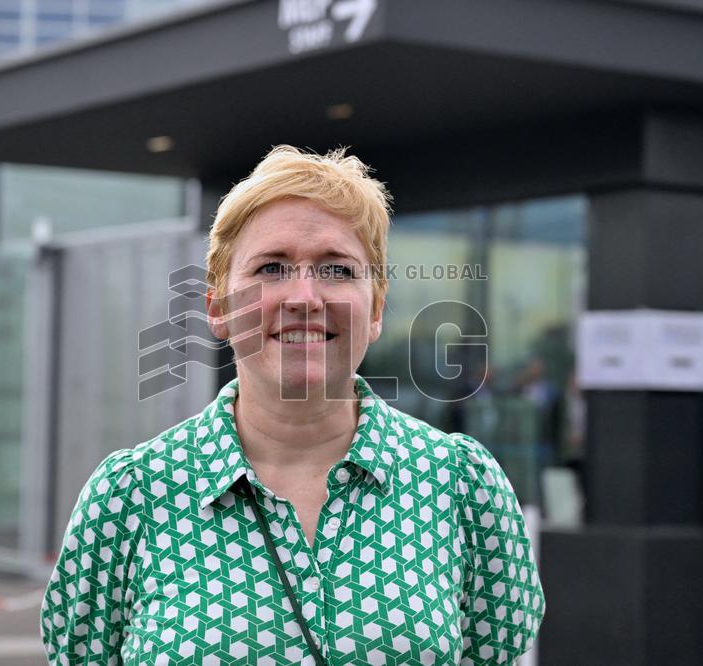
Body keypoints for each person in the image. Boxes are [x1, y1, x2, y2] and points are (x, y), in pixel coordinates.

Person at [40, 146, 546, 664]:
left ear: (375, 308)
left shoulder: (461, 484)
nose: (304, 296)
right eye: (272, 267)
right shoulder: (130, 496)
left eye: (338, 270)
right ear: (216, 308)